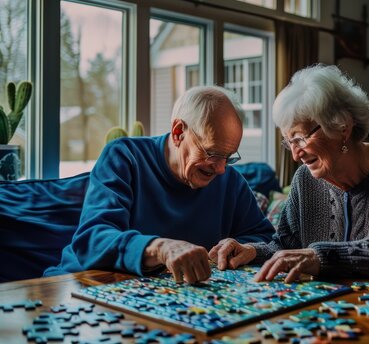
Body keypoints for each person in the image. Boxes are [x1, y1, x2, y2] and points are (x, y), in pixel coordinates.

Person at [209, 64, 369, 283]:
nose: (295, 153)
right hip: (353, 312)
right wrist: (252, 251)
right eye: (288, 141)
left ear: (342, 127)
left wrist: (318, 257)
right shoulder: (305, 180)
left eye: (300, 138)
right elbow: (286, 246)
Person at [45, 86, 275, 283]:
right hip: (83, 283)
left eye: (229, 156)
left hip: (173, 299)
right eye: (212, 153)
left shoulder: (230, 180)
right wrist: (160, 248)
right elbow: (92, 240)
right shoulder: (124, 157)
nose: (221, 169)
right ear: (178, 133)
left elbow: (264, 238)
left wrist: (243, 248)